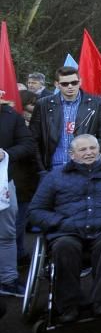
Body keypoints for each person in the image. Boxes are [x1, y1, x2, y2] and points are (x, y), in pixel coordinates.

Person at [27, 134, 101, 322]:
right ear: (72, 154)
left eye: (92, 148)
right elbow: (36, 210)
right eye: (83, 149)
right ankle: (68, 306)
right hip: (68, 230)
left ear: (99, 149)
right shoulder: (55, 177)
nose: (89, 152)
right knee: (64, 246)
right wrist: (60, 222)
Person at [31, 65, 101, 171]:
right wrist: (41, 170)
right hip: (53, 168)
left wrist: (91, 159)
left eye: (74, 82)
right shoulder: (43, 104)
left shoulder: (97, 103)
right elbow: (34, 138)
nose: (70, 86)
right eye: (64, 84)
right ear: (57, 84)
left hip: (85, 167)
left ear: (80, 82)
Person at [1, 97, 35, 296]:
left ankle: (8, 280)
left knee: (6, 235)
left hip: (5, 184)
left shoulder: (11, 116)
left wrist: (5, 154)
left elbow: (27, 144)